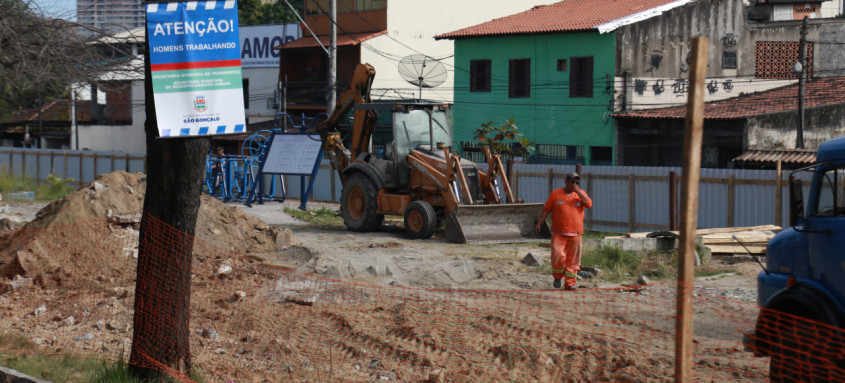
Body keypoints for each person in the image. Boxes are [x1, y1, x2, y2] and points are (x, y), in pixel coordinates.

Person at [534, 171, 592, 290]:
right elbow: (546, 210)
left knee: (574, 260)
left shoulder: (581, 194)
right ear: (566, 181)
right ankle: (557, 276)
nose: (574, 183)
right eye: (572, 181)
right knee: (557, 256)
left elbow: (588, 204)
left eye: (577, 182)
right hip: (558, 232)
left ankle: (570, 283)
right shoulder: (556, 194)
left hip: (576, 233)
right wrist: (539, 223)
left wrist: (578, 191)